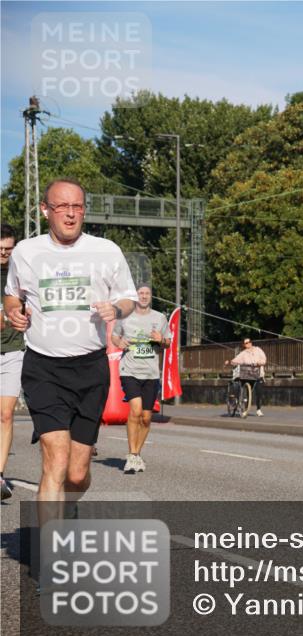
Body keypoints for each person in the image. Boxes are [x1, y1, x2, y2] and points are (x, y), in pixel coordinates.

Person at [2, 177, 137, 520]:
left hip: (90, 368)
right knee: (55, 460)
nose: (71, 214)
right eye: (62, 206)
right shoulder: (26, 251)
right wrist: (13, 312)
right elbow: (12, 294)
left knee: (76, 474)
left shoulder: (106, 250)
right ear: (44, 209)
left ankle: (69, 506)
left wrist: (116, 310)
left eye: (77, 206)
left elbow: (128, 298)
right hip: (43, 368)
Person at [111, 285, 170, 473]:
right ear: (135, 297)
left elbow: (168, 342)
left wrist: (161, 339)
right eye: (140, 294)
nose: (143, 296)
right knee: (135, 410)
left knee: (146, 417)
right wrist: (119, 342)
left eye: (147, 294)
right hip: (129, 370)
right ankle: (132, 455)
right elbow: (114, 336)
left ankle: (137, 453)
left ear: (151, 297)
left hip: (151, 373)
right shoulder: (125, 317)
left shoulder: (159, 318)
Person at [0, 224, 23, 500]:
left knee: (6, 414)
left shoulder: (21, 275)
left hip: (14, 350)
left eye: (9, 249)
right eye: (0, 249)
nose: (4, 253)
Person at [224, 338, 266, 416]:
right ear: (244, 345)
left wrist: (258, 363)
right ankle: (245, 409)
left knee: (259, 392)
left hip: (258, 374)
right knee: (246, 391)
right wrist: (229, 362)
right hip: (248, 375)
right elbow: (236, 361)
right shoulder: (243, 353)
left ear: (251, 343)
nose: (248, 344)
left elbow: (264, 360)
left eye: (249, 342)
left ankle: (258, 409)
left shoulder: (258, 350)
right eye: (246, 343)